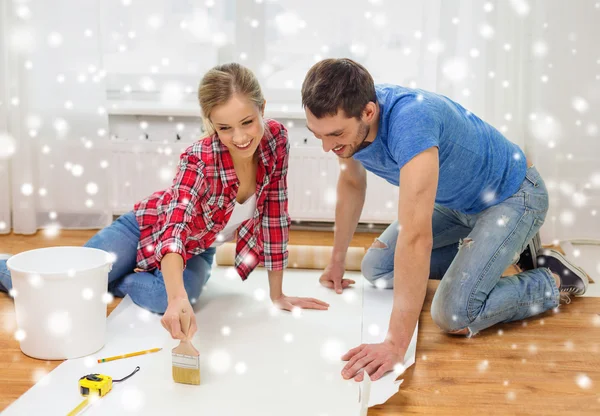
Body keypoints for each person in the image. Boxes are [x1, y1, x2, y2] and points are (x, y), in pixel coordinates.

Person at [301, 58, 589, 382]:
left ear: (368, 112)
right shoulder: (350, 128)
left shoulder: (411, 122)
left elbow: (416, 238)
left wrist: (395, 344)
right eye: (318, 135)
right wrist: (337, 260)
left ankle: (552, 278)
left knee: (454, 314)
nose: (327, 147)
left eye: (335, 134)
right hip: (457, 204)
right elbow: (352, 184)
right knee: (377, 270)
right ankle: (502, 252)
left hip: (513, 197)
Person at [0, 62, 328, 340]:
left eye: (247, 122)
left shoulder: (277, 141)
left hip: (198, 247)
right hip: (143, 227)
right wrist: (177, 298)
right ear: (210, 122)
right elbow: (173, 231)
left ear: (263, 109)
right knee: (67, 287)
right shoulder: (198, 158)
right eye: (225, 128)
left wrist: (277, 294)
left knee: (165, 297)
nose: (240, 137)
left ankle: (114, 278)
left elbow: (274, 212)